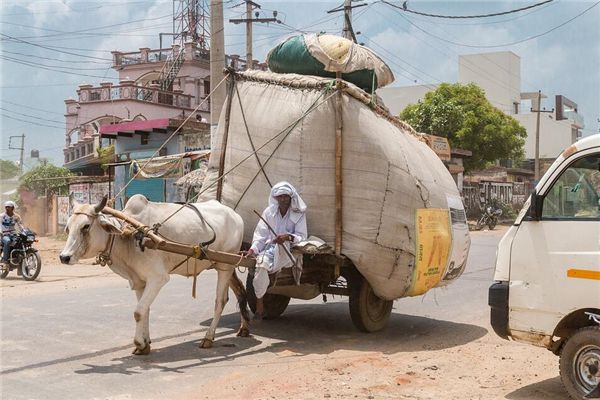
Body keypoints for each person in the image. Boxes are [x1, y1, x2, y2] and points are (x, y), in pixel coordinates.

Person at [245, 182, 307, 320]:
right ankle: (259, 307)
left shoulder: (298, 214)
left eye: (286, 196)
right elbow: (260, 236)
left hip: (288, 251)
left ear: (291, 197)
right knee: (261, 265)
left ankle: (271, 272)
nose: (283, 199)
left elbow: (302, 236)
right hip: (269, 250)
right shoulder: (269, 213)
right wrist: (252, 250)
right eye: (280, 197)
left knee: (276, 255)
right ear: (276, 198)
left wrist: (287, 237)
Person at [1, 201, 23, 268]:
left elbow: (21, 225)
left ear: (13, 208)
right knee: (7, 241)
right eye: (6, 207)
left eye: (9, 207)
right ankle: (5, 261)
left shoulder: (16, 216)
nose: (7, 208)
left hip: (13, 234)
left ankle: (21, 266)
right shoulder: (2, 216)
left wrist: (24, 231)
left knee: (21, 243)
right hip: (4, 235)